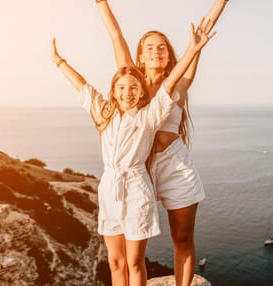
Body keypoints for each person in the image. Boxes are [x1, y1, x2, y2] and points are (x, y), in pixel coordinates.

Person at [89, 0, 246, 286]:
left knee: (183, 238)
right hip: (138, 171)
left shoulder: (180, 80)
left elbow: (200, 35)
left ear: (171, 53)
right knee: (128, 253)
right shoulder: (131, 83)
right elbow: (115, 35)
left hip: (173, 164)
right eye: (149, 47)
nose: (156, 52)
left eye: (162, 47)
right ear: (139, 56)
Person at [50, 20, 215, 286]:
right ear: (113, 92)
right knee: (116, 261)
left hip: (143, 183)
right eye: (122, 88)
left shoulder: (150, 115)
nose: (127, 92)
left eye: (133, 89)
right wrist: (59, 61)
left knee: (136, 261)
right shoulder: (104, 115)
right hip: (111, 190)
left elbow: (172, 81)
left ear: (142, 95)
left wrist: (194, 49)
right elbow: (83, 87)